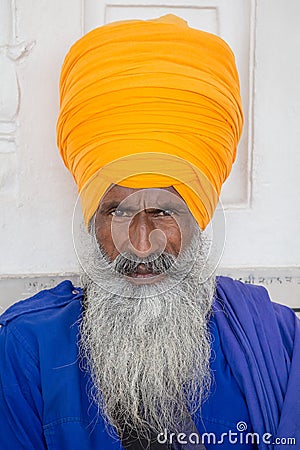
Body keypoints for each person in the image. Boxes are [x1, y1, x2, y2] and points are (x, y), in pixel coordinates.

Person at [0, 15, 299, 450]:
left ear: (198, 218)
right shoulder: (28, 347)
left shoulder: (275, 341)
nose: (141, 245)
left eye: (164, 212)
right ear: (90, 221)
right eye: (118, 213)